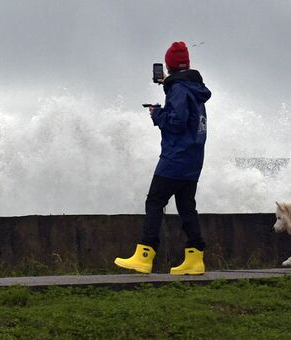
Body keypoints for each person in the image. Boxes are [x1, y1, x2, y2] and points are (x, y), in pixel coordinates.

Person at [114, 41, 211, 275]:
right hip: (193, 160)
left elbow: (176, 123)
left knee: (154, 202)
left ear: (168, 64)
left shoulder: (178, 89)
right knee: (187, 208)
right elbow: (186, 118)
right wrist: (168, 86)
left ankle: (145, 255)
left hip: (175, 160)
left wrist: (157, 114)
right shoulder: (193, 88)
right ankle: (195, 258)